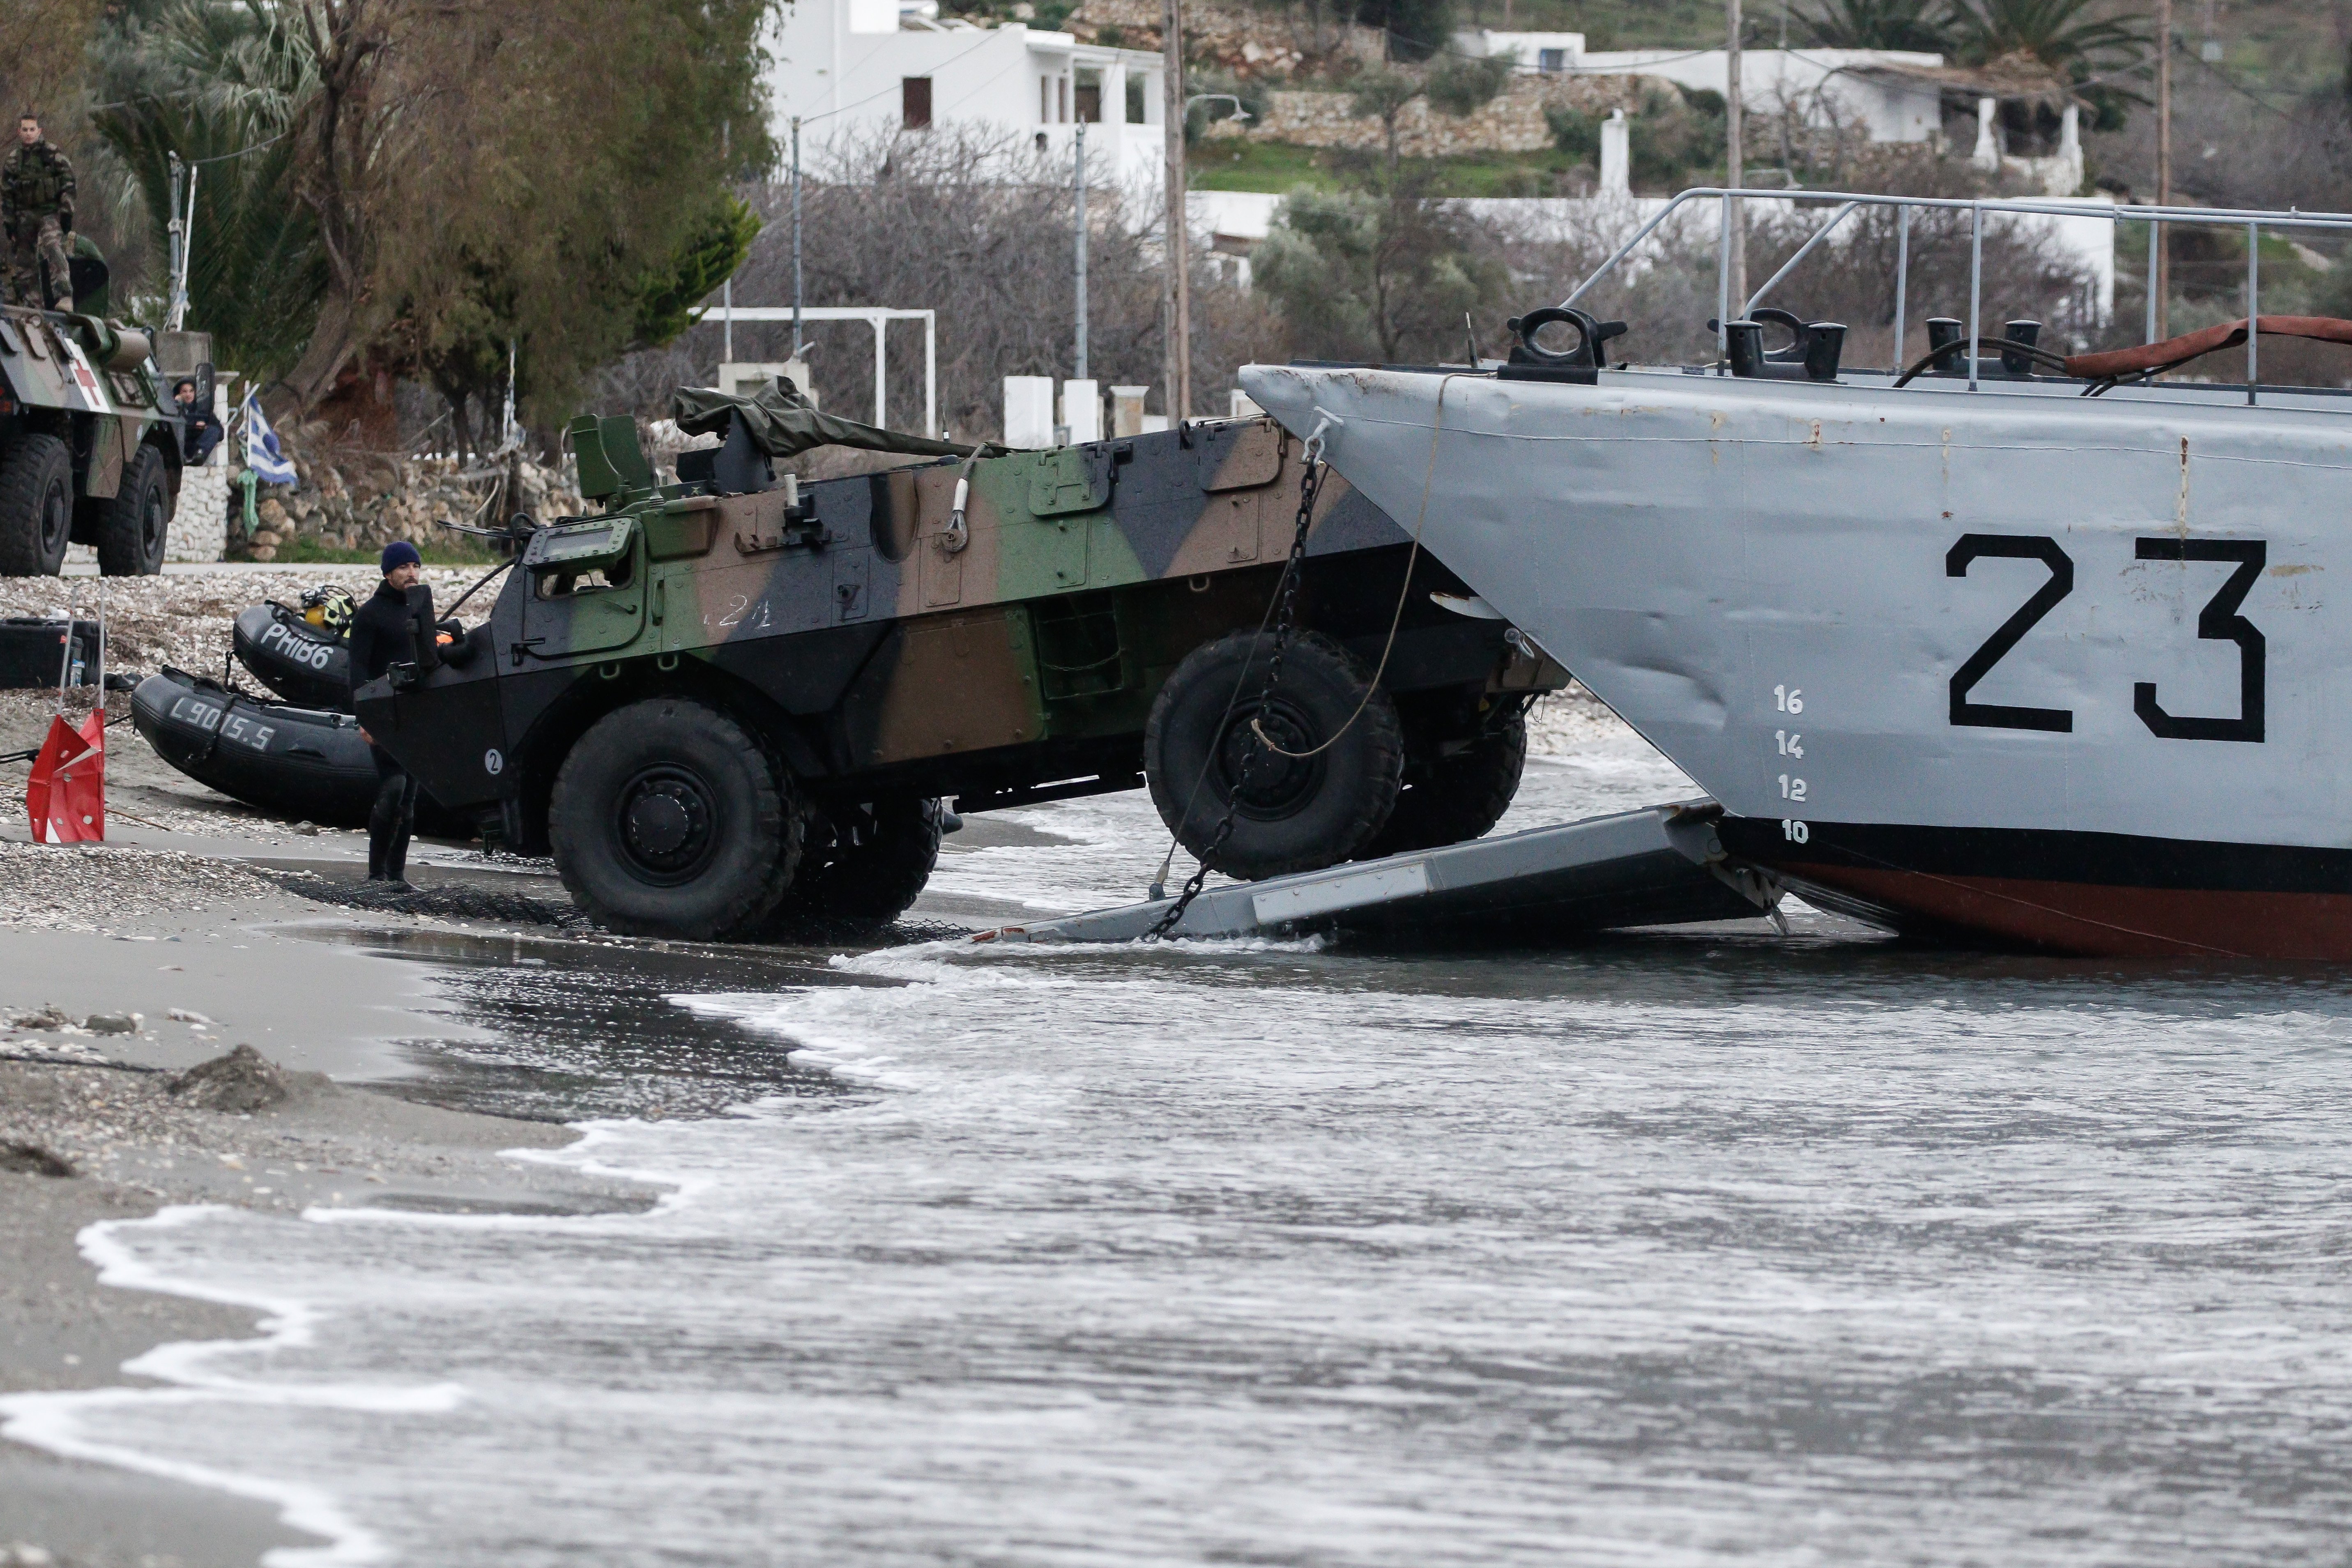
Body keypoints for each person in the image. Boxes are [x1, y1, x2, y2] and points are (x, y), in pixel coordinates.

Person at [349, 541, 440, 884]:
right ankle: (376, 874)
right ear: (388, 573)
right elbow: (356, 671)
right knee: (394, 788)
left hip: (415, 715)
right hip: (384, 714)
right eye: (403, 567)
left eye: (416, 566)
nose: (412, 573)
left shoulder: (420, 609)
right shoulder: (370, 615)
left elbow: (431, 663)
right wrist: (365, 719)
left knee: (409, 798)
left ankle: (398, 875)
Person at [1, 111, 75, 312]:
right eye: (25, 130)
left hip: (48, 213)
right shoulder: (14, 161)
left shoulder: (52, 154)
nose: (28, 134)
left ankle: (65, 296)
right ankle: (32, 304)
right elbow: (7, 194)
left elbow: (68, 182)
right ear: (19, 132)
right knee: (24, 260)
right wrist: (9, 222)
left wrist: (67, 212)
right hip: (24, 216)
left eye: (32, 130)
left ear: (39, 131)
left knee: (53, 247)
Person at [173, 378, 223, 465]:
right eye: (185, 392)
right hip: (178, 447)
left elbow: (220, 433)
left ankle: (200, 455)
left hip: (195, 447)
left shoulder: (203, 410)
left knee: (214, 430)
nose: (188, 395)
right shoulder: (172, 409)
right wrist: (177, 404)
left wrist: (205, 428)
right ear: (179, 393)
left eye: (191, 391)